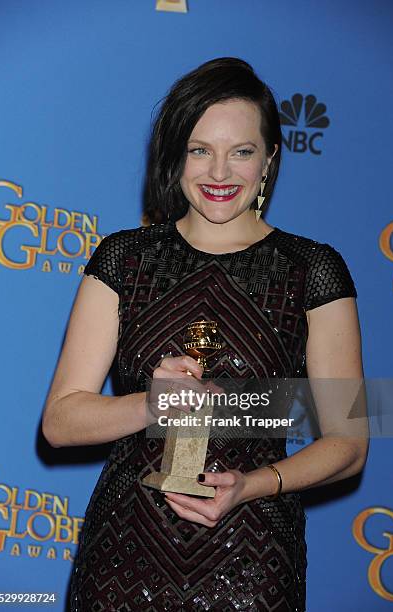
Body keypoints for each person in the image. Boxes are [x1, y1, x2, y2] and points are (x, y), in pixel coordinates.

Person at [42, 57, 368, 611]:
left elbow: (351, 443)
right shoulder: (124, 258)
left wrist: (252, 484)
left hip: (253, 559)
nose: (220, 173)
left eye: (242, 151)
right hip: (124, 554)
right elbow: (60, 422)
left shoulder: (314, 269)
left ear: (270, 159)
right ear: (175, 157)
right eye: (200, 150)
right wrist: (152, 405)